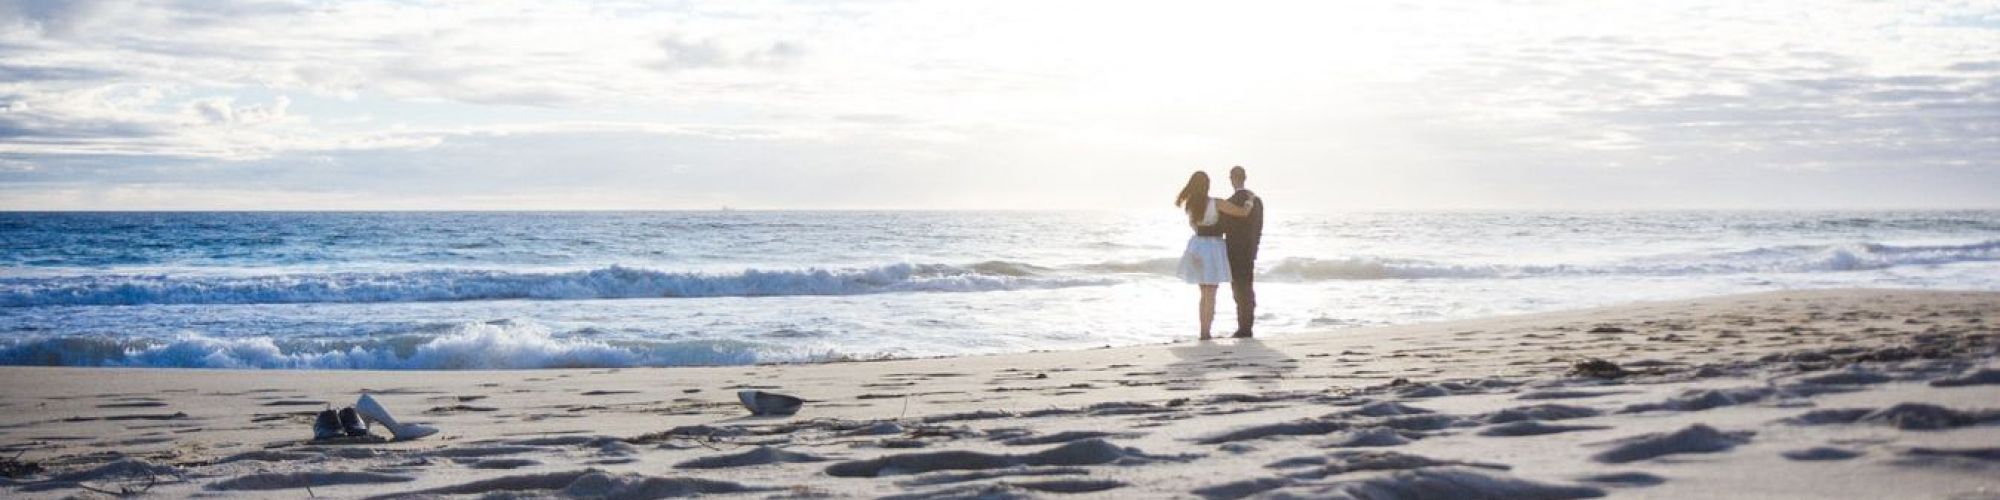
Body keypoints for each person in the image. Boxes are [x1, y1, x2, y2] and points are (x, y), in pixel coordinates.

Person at [1175, 171, 1256, 340]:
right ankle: (1206, 333)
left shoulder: (1190, 205)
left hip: (1197, 246)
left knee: (1203, 292)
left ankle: (1203, 331)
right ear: (1207, 185)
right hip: (1213, 247)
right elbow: (1242, 213)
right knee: (1211, 292)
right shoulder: (1216, 203)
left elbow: (1194, 227)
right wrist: (1250, 200)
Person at [1222, 165, 1263, 338]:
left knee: (1238, 289)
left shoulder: (1229, 202)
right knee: (1247, 287)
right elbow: (1258, 227)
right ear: (1245, 177)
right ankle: (1248, 325)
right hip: (1249, 249)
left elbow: (1222, 227)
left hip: (1233, 250)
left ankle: (1243, 327)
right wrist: (1254, 247)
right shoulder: (1257, 201)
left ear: (1231, 178)